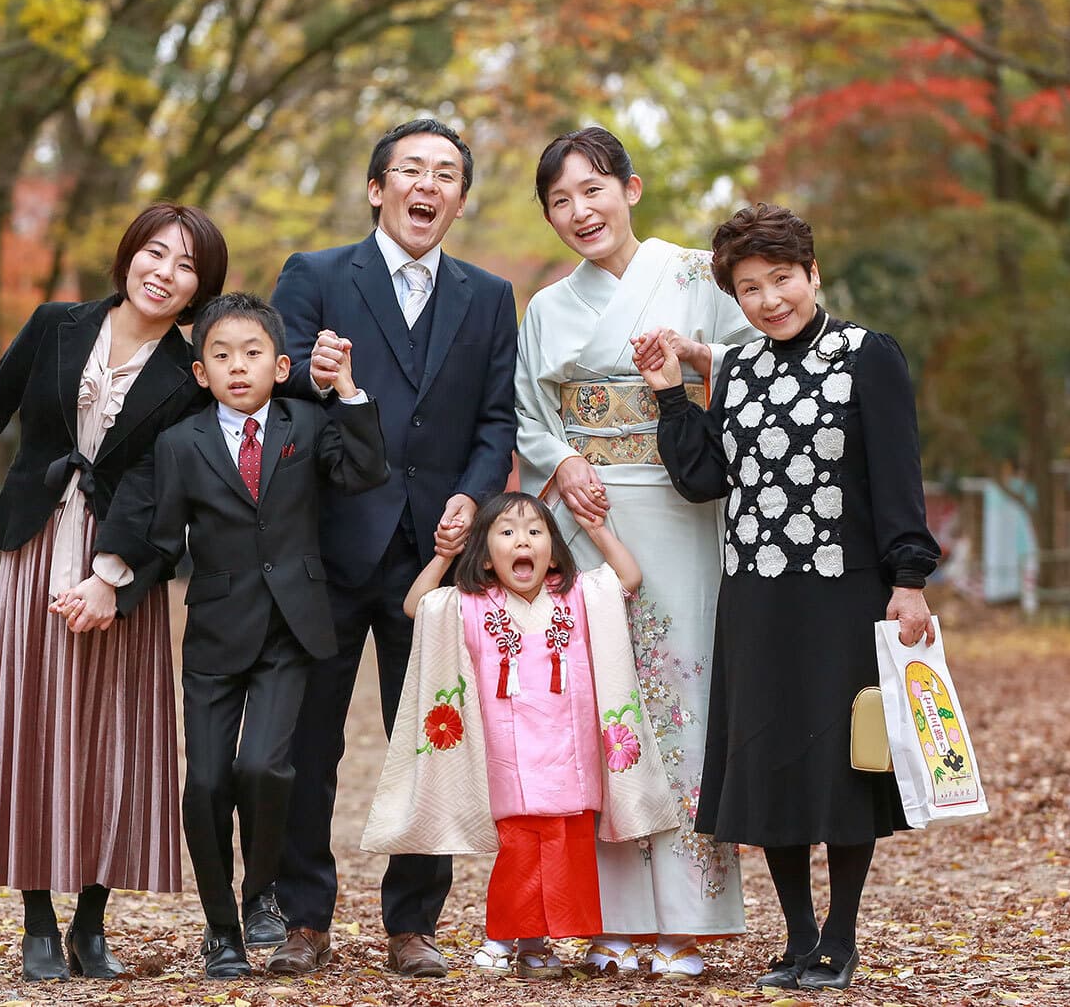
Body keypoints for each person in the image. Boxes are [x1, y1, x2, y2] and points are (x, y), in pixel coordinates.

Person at [0, 203, 228, 982]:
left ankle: (91, 920)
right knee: (36, 725)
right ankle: (38, 919)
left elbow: (165, 491)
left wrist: (117, 579)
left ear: (199, 290)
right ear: (127, 255)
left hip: (126, 565)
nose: (164, 272)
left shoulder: (191, 374)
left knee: (113, 735)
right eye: (155, 252)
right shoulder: (55, 324)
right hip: (38, 543)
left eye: (185, 266)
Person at [641, 202, 939, 993]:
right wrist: (672, 395)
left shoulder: (866, 355)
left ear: (812, 272)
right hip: (756, 597)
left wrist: (908, 579)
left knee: (843, 769)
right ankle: (799, 935)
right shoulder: (735, 369)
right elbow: (704, 479)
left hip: (844, 592)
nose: (771, 299)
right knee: (767, 763)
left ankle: (841, 936)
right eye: (750, 288)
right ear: (734, 298)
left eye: (782, 279)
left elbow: (896, 474)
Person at [263, 118, 519, 978]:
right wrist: (306, 366)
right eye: (411, 169)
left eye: (446, 173)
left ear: (458, 199)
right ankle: (304, 917)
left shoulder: (487, 296)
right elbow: (271, 373)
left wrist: (472, 502)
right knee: (309, 742)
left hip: (435, 555)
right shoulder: (318, 274)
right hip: (327, 548)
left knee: (432, 737)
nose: (428, 184)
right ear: (378, 188)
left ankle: (414, 923)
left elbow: (495, 420)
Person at [511, 127, 759, 978]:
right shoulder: (545, 308)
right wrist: (564, 459)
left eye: (593, 189)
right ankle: (610, 918)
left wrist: (696, 361)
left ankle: (687, 921)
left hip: (683, 512)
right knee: (602, 713)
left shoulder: (697, 275)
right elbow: (528, 418)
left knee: (680, 706)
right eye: (560, 200)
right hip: (588, 519)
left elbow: (759, 362)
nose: (580, 211)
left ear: (632, 187)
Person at [118, 293, 388, 978]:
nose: (238, 366)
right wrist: (110, 583)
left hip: (291, 630)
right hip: (214, 631)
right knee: (206, 781)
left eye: (253, 352)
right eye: (221, 355)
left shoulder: (307, 420)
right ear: (202, 373)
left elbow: (363, 471)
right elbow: (159, 538)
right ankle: (221, 928)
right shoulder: (181, 443)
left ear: (281, 363)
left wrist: (349, 391)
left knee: (265, 767)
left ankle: (261, 887)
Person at [370, 492, 681, 979]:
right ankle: (504, 934)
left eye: (536, 532)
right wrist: (445, 556)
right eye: (508, 533)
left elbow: (628, 578)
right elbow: (417, 606)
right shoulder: (472, 603)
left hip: (570, 756)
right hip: (507, 759)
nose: (524, 541)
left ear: (553, 553)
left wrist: (596, 528)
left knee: (564, 853)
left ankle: (538, 946)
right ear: (487, 557)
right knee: (519, 853)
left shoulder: (574, 596)